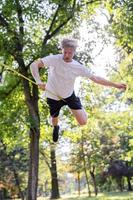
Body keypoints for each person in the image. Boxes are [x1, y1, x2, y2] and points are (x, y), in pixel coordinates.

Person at [30, 39, 126, 142]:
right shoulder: (54, 59)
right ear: (62, 50)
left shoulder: (78, 67)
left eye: (69, 53)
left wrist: (115, 85)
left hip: (68, 96)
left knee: (83, 122)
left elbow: (96, 79)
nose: (66, 55)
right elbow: (34, 65)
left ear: (74, 52)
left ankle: (76, 105)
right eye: (64, 52)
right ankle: (56, 127)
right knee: (54, 118)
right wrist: (38, 81)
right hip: (52, 95)